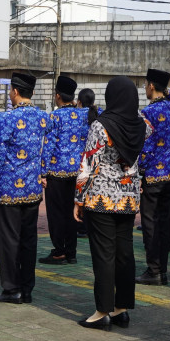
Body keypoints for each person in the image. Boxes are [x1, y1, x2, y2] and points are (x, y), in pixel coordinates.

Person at [74, 76, 150, 329]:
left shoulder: (101, 126)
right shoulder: (141, 126)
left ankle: (101, 311)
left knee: (104, 255)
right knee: (124, 254)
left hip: (101, 199)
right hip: (128, 199)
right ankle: (121, 309)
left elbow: (88, 165)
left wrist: (78, 199)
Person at [0, 72, 49, 303]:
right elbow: (48, 146)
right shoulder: (43, 118)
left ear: (15, 91)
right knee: (28, 241)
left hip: (10, 190)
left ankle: (12, 289)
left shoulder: (7, 119)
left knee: (9, 240)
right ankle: (27, 288)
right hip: (32, 189)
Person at [137, 69, 170, 286]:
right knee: (164, 223)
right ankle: (162, 270)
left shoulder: (147, 113)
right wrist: (167, 90)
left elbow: (145, 147)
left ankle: (153, 270)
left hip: (154, 176)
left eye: (146, 84)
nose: (145, 88)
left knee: (150, 224)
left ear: (152, 87)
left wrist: (140, 173)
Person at [41, 75, 88, 265]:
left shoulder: (54, 116)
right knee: (73, 212)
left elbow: (48, 145)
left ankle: (59, 250)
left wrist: (43, 172)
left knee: (56, 214)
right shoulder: (82, 115)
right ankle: (71, 251)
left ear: (58, 96)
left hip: (57, 173)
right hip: (77, 173)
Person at [75, 87, 98, 241]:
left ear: (79, 102)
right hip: (95, 162)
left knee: (79, 195)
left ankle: (81, 227)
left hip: (80, 162)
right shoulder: (100, 113)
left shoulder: (75, 115)